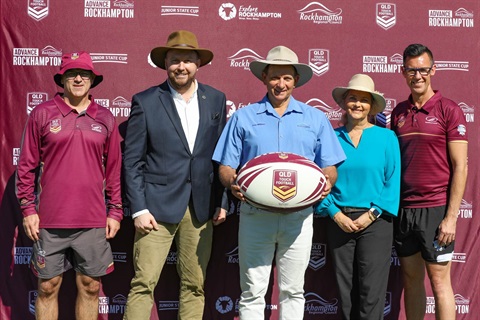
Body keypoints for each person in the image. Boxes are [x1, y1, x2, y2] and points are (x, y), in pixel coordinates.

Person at [212, 45, 346, 320]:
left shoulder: (315, 118)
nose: (280, 84)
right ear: (264, 78)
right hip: (255, 214)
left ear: (296, 80)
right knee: (252, 291)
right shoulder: (243, 117)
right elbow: (226, 166)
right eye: (274, 77)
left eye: (287, 78)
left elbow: (330, 167)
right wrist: (232, 183)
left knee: (294, 291)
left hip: (299, 217)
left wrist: (327, 182)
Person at [122, 30, 227, 320]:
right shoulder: (145, 101)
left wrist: (223, 201)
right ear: (165, 63)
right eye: (175, 60)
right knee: (143, 284)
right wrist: (139, 209)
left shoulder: (216, 99)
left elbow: (223, 158)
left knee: (195, 285)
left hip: (201, 208)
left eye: (188, 60)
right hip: (154, 209)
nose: (181, 66)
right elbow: (132, 161)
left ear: (198, 64)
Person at [16, 51, 123, 320]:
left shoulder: (106, 118)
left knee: (90, 287)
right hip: (50, 221)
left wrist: (115, 211)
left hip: (93, 221)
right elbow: (26, 165)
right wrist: (28, 209)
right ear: (61, 80)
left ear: (92, 80)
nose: (78, 78)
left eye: (84, 74)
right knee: (48, 287)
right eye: (71, 74)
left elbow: (113, 172)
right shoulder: (42, 114)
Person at [392, 43, 468, 320]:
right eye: (412, 70)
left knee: (439, 283)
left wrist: (451, 218)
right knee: (411, 281)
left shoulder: (449, 110)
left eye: (423, 69)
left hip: (436, 211)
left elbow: (460, 167)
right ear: (403, 72)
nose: (418, 75)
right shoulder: (398, 112)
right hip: (405, 210)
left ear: (433, 70)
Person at [315, 74, 401, 319]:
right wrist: (335, 213)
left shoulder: (387, 138)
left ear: (372, 106)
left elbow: (392, 183)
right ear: (344, 103)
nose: (358, 105)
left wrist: (370, 215)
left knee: (371, 292)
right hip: (339, 221)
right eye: (353, 98)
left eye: (364, 100)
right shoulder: (330, 137)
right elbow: (320, 181)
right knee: (344, 292)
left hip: (376, 222)